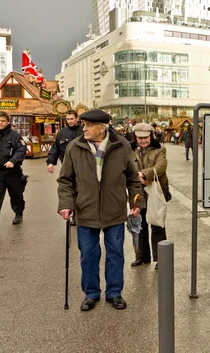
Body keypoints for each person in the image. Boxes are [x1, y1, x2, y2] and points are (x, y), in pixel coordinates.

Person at [57, 109, 142, 311]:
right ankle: (91, 293)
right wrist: (66, 204)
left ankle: (114, 293)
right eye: (83, 124)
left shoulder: (121, 145)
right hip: (85, 210)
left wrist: (137, 203)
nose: (83, 128)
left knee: (115, 254)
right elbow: (65, 180)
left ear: (101, 128)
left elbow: (132, 177)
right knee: (88, 255)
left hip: (114, 210)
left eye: (87, 125)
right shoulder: (74, 147)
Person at [131, 123, 169, 270]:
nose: (143, 141)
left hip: (155, 191)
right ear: (135, 137)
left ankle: (161, 258)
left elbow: (161, 167)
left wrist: (142, 174)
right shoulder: (130, 149)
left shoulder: (160, 149)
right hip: (137, 191)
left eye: (145, 138)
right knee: (139, 223)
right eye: (139, 138)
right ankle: (142, 256)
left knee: (157, 223)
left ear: (151, 136)